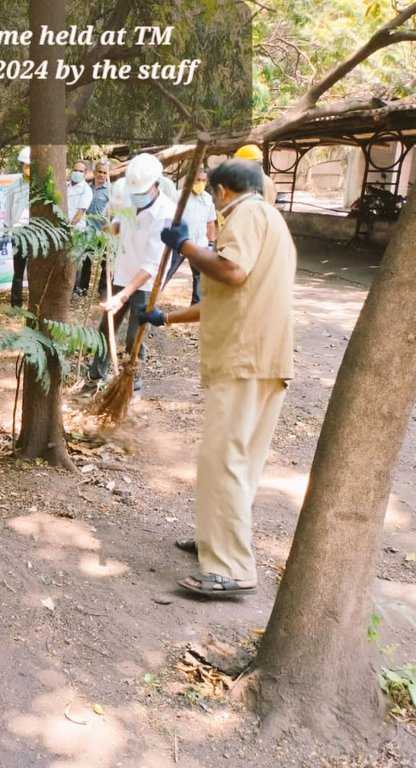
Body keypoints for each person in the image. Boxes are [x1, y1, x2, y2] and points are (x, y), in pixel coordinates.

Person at [141, 158, 295, 598]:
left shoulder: (247, 215)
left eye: (212, 194)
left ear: (223, 192)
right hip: (264, 358)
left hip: (245, 359)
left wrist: (186, 247)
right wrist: (165, 318)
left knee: (222, 459)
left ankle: (230, 567)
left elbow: (231, 270)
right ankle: (218, 539)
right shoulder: (273, 222)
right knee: (241, 461)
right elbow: (229, 297)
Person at [85, 153, 175, 392]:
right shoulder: (129, 199)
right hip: (122, 274)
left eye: (142, 191)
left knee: (135, 337)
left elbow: (152, 264)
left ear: (156, 184)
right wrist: (108, 229)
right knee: (106, 330)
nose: (137, 196)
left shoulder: (165, 213)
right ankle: (95, 378)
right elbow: (120, 226)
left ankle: (132, 387)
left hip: (145, 285)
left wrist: (123, 295)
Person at [180, 167, 217, 304]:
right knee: (166, 272)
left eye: (203, 180)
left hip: (199, 243)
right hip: (178, 242)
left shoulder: (208, 199)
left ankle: (197, 304)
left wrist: (211, 243)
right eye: (198, 180)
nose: (201, 183)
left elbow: (210, 222)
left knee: (199, 275)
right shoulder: (179, 196)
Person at [75, 160, 111, 296]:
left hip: (103, 231)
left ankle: (102, 291)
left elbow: (114, 209)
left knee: (105, 263)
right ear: (94, 172)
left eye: (104, 173)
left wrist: (109, 224)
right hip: (87, 231)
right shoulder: (86, 188)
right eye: (99, 172)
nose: (101, 175)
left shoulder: (109, 191)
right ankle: (82, 290)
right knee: (86, 261)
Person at [3, 146, 31, 307]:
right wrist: (7, 229)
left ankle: (35, 302)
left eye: (31, 165)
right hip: (19, 232)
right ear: (21, 166)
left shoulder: (40, 184)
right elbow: (8, 209)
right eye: (26, 165)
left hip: (35, 232)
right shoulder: (14, 185)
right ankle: (16, 303)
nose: (28, 168)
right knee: (18, 271)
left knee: (35, 271)